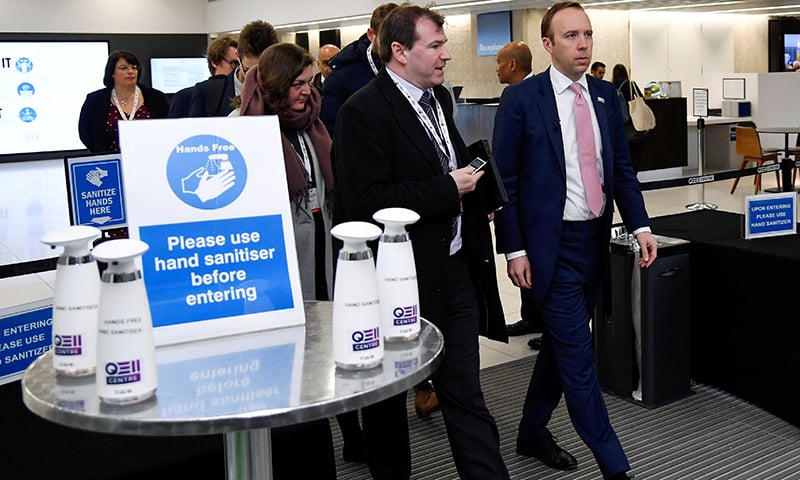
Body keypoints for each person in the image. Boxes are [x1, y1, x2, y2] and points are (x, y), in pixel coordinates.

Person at [333, 5, 510, 479]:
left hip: (453, 272)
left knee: (466, 394)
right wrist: (449, 188)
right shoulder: (362, 111)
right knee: (389, 404)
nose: (447, 55)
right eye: (435, 46)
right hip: (398, 282)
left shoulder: (436, 101)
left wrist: (477, 188)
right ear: (398, 51)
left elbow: (445, 165)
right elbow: (365, 203)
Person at [491, 3, 658, 480]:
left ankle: (531, 431)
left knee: (561, 349)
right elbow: (508, 183)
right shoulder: (523, 100)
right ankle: (615, 466)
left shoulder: (605, 96)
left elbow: (621, 172)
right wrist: (515, 248)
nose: (583, 44)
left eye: (587, 34)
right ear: (548, 44)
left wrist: (641, 225)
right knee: (579, 356)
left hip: (594, 242)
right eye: (570, 36)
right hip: (551, 247)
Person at [232, 41, 337, 479]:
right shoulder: (244, 128)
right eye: (296, 84)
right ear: (274, 87)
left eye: (309, 81)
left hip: (319, 254)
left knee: (317, 360)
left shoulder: (311, 123)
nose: (306, 91)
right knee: (284, 369)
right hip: (275, 267)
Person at [494, 40, 545, 351]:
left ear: (512, 65)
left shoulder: (519, 95)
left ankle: (543, 321)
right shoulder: (530, 92)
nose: (496, 68)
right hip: (526, 195)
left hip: (528, 195)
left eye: (499, 62)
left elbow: (506, 156)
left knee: (534, 259)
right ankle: (531, 317)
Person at [320, 2, 399, 136]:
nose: (395, 45)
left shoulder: (413, 69)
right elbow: (333, 133)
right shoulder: (340, 78)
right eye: (387, 37)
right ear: (371, 35)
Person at [78, 50, 168, 153]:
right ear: (112, 73)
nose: (130, 71)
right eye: (123, 68)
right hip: (111, 160)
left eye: (134, 67)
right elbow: (85, 133)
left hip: (150, 157)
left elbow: (166, 128)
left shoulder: (156, 97)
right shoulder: (95, 100)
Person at [188, 19, 279, 117]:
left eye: (263, 70)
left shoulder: (283, 91)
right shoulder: (206, 93)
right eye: (248, 70)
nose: (255, 77)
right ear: (238, 56)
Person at [168, 34, 239, 118]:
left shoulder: (249, 94)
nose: (239, 69)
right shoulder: (185, 97)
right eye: (234, 63)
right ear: (215, 62)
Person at [611, 63, 644, 172]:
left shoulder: (611, 86)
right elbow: (641, 98)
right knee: (635, 154)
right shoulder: (630, 85)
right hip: (633, 124)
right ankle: (634, 176)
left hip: (618, 126)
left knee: (621, 155)